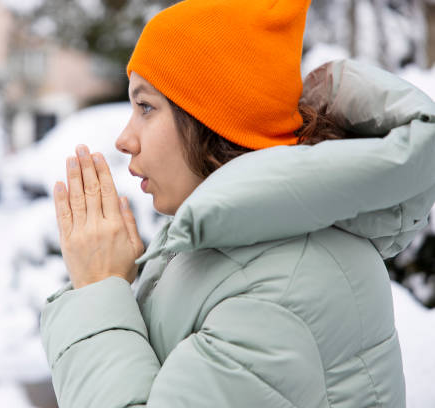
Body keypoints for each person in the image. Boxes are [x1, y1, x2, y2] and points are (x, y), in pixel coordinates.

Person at [40, 1, 435, 407]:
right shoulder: (234, 248)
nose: (124, 139)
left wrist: (98, 290)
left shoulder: (282, 290)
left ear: (213, 118)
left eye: (146, 107)